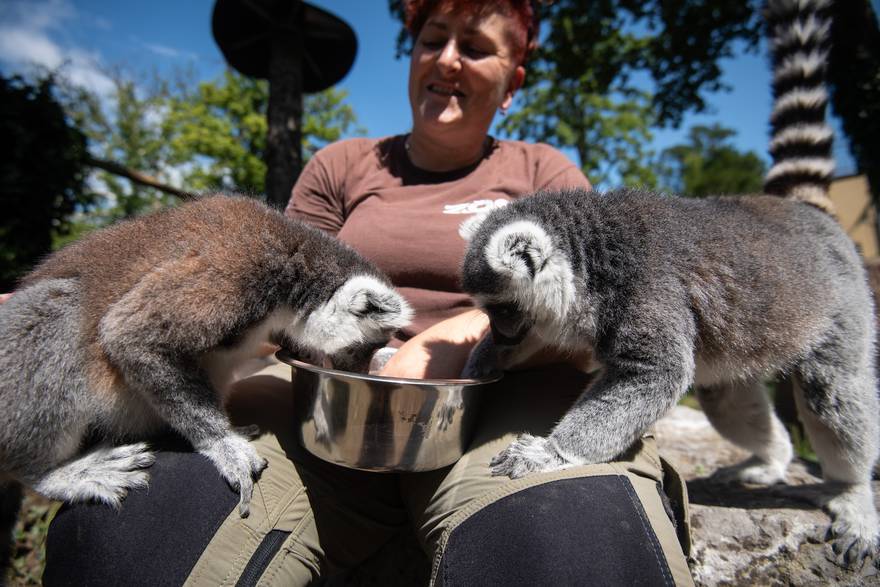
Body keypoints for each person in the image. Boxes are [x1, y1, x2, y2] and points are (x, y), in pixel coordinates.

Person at [38, 0, 693, 585]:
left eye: (476, 45)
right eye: (433, 38)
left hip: (499, 402)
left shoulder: (542, 173)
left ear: (514, 81)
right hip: (323, 413)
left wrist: (453, 340)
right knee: (131, 531)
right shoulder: (344, 166)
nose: (448, 59)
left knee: (563, 545)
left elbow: (599, 307)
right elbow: (268, 304)